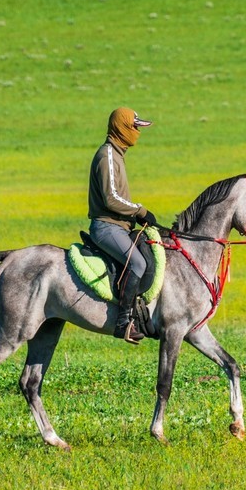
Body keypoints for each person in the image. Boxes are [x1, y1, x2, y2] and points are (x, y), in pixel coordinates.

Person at [88, 107, 158, 344]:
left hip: (120, 226)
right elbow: (111, 198)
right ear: (122, 127)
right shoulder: (107, 155)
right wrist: (140, 211)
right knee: (137, 263)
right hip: (107, 227)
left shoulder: (117, 154)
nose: (137, 132)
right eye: (135, 127)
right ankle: (123, 323)